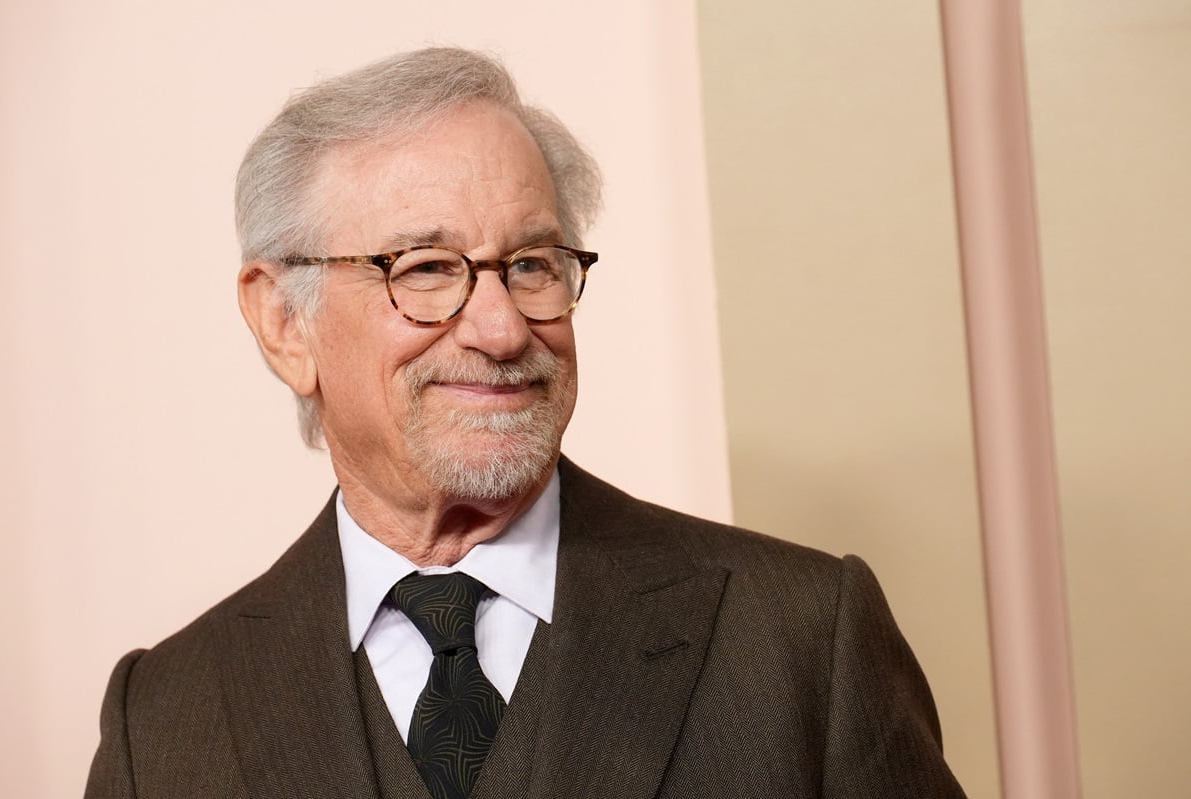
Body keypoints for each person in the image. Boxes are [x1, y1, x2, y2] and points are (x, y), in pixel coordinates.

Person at [85, 47, 966, 798]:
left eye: (532, 264)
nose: (503, 329)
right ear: (284, 321)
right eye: (425, 268)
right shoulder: (162, 723)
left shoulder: (801, 640)